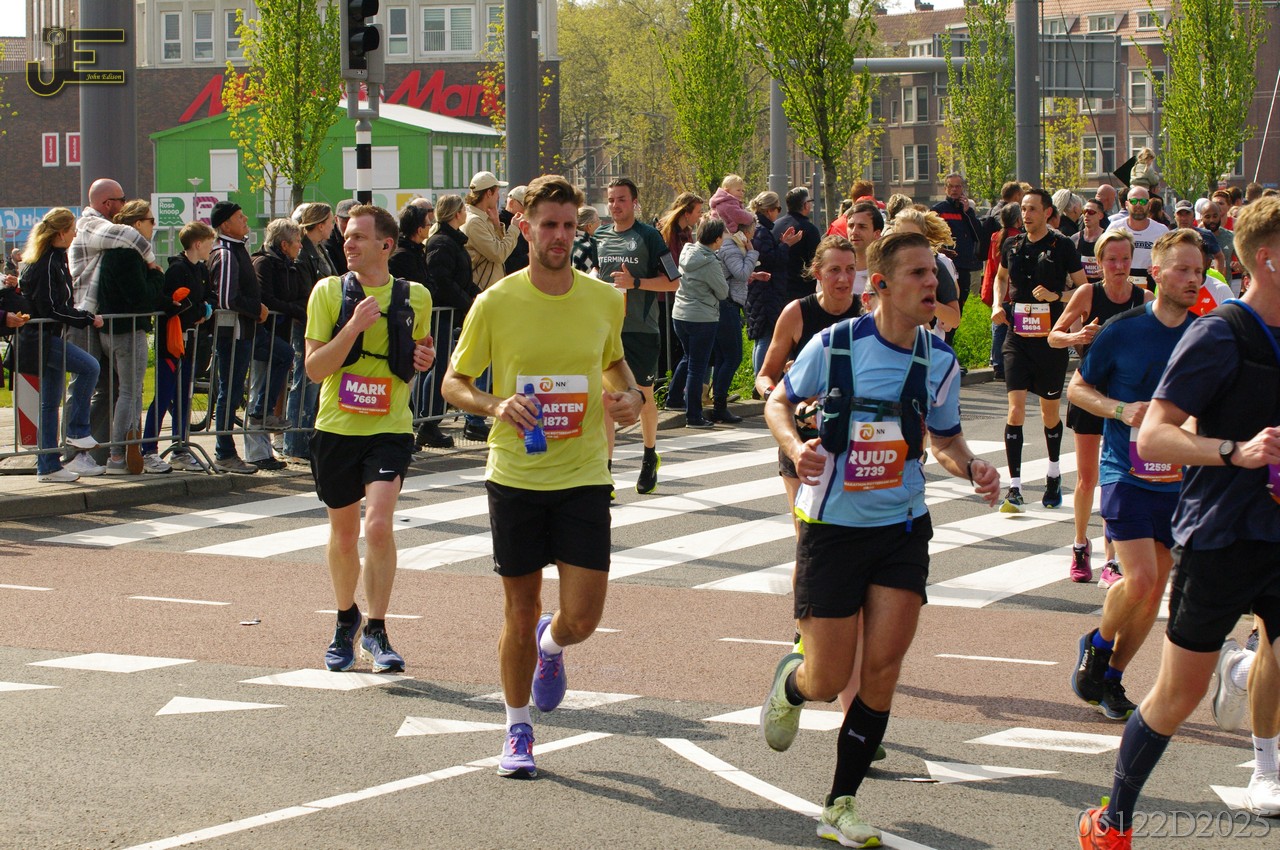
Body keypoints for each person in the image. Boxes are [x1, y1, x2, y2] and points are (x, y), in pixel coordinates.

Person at [760, 231, 1001, 847]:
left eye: (934, 274)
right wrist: (795, 446)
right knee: (827, 678)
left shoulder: (940, 360)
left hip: (901, 527)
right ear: (883, 286)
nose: (932, 284)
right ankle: (793, 684)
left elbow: (944, 439)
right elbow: (779, 402)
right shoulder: (835, 345)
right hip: (832, 530)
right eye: (918, 274)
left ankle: (840, 803)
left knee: (883, 668)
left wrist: (972, 465)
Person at [1076, 195, 1280, 849]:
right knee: (1176, 695)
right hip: (1223, 533)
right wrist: (1235, 451)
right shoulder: (1221, 333)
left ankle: (1248, 682)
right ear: (1270, 260)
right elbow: (1155, 436)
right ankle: (1113, 820)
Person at [441, 175, 644, 779]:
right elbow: (454, 382)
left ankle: (552, 646)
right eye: (547, 225)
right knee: (519, 609)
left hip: (583, 475)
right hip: (516, 475)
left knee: (582, 618)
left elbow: (613, 364)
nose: (559, 236)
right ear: (525, 229)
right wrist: (496, 404)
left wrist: (631, 397)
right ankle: (517, 727)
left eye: (568, 225)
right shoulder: (495, 302)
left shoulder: (602, 299)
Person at [1064, 229, 1200, 727]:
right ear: (1157, 274)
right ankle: (1097, 645)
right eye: (1182, 269)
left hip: (1177, 481)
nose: (1193, 278)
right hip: (1126, 471)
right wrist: (1121, 410)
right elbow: (1078, 389)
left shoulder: (1205, 335)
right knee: (1139, 577)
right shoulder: (1122, 330)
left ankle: (1111, 675)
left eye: (1198, 270)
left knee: (1155, 587)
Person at [304, 203, 435, 675]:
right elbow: (315, 368)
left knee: (377, 525)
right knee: (343, 535)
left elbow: (422, 350)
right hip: (337, 427)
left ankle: (377, 629)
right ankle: (347, 620)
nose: (348, 243)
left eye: (358, 236)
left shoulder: (415, 296)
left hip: (390, 426)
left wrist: (424, 359)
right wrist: (353, 327)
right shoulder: (328, 292)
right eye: (346, 236)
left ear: (386, 244)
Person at [1050, 229, 1151, 586]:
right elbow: (1053, 336)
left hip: (1126, 399)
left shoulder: (1144, 298)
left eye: (1125, 259)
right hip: (1090, 393)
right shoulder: (1087, 293)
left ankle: (1112, 560)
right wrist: (1076, 337)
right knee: (1088, 478)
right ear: (1099, 262)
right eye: (1112, 260)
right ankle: (1080, 545)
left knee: (1117, 479)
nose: (1119, 266)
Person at [754, 235, 863, 524]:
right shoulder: (797, 312)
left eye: (850, 269)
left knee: (851, 532)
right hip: (803, 440)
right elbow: (764, 376)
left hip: (854, 439)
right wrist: (787, 403)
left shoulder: (866, 313)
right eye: (834, 270)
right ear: (817, 273)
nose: (844, 278)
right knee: (805, 532)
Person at [992, 188, 1087, 511]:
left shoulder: (1063, 246)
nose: (1026, 214)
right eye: (1023, 209)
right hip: (1017, 337)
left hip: (1049, 340)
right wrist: (997, 303)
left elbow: (1083, 288)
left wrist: (1057, 296)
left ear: (1047, 212)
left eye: (1032, 209)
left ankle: (1053, 474)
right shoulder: (1012, 244)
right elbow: (1000, 277)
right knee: (1015, 410)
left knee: (1049, 413)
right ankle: (1015, 487)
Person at [68, 178, 159, 466]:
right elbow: (128, 235)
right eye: (121, 199)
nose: (124, 203)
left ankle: (96, 452)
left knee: (106, 387)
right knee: (84, 385)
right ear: (107, 203)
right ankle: (76, 453)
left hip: (94, 317)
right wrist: (152, 262)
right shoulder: (91, 224)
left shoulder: (104, 230)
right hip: (82, 316)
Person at [595, 177, 676, 494]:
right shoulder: (600, 236)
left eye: (621, 199)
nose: (615, 205)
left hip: (640, 329)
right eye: (611, 200)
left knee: (642, 396)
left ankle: (649, 455)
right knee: (605, 400)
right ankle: (606, 473)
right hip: (607, 330)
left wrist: (636, 283)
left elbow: (674, 281)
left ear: (634, 202)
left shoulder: (649, 236)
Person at [17, 208, 103, 483]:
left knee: (50, 404)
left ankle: (48, 467)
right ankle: (77, 431)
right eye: (72, 229)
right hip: (41, 338)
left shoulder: (54, 258)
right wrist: (87, 318)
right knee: (90, 367)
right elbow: (51, 308)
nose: (76, 234)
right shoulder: (45, 263)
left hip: (48, 336)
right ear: (61, 233)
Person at [97, 200, 167, 475]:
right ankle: (118, 454)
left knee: (128, 392)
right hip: (127, 330)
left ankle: (127, 451)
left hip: (114, 329)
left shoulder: (113, 251)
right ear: (137, 224)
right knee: (129, 392)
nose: (153, 226)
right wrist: (157, 276)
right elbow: (141, 298)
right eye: (151, 221)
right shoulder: (128, 254)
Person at [142, 221, 217, 473]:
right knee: (164, 395)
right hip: (172, 343)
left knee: (185, 396)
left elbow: (209, 296)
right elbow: (176, 305)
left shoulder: (202, 269)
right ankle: (148, 449)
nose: (211, 248)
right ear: (197, 244)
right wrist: (199, 310)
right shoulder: (177, 270)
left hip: (191, 342)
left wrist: (206, 309)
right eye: (209, 243)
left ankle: (180, 449)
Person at [460, 171, 520, 442]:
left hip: (490, 295)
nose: (500, 197)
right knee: (481, 360)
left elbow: (497, 249)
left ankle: (477, 417)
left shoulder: (481, 218)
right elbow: (498, 253)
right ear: (489, 193)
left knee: (489, 358)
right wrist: (513, 229)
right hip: (482, 295)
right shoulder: (474, 221)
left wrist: (497, 224)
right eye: (497, 192)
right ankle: (474, 418)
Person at [207, 201, 264, 475]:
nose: (246, 220)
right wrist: (257, 309)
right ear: (225, 224)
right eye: (240, 217)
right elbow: (227, 298)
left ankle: (228, 448)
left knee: (232, 389)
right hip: (233, 333)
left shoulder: (237, 249)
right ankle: (225, 451)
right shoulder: (226, 253)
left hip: (245, 330)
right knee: (228, 391)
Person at [247, 218, 304, 470]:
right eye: (297, 241)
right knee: (258, 389)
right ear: (284, 244)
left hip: (280, 333)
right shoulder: (263, 263)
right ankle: (256, 453)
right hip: (263, 332)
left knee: (270, 390)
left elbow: (298, 296)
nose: (300, 246)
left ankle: (265, 450)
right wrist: (294, 309)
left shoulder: (290, 266)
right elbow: (267, 298)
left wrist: (294, 308)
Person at [286, 202, 337, 461]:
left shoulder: (320, 249)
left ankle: (308, 439)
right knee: (304, 383)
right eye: (330, 222)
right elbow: (308, 292)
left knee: (314, 385)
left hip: (322, 324)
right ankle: (296, 443)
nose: (333, 226)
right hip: (308, 326)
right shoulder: (304, 254)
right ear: (319, 225)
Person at [671, 217, 730, 429]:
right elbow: (723, 292)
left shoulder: (687, 251)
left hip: (680, 313)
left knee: (688, 358)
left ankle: (673, 399)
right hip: (702, 317)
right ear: (716, 239)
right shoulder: (710, 262)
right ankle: (694, 416)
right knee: (697, 367)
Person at [709, 213, 762, 423]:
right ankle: (719, 405)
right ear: (746, 231)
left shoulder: (733, 246)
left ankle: (718, 404)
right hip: (727, 304)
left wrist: (753, 273)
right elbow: (740, 273)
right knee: (733, 356)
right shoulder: (732, 247)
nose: (754, 234)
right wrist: (752, 253)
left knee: (723, 357)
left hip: (727, 303)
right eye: (754, 230)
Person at [745, 191, 801, 374]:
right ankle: (760, 378)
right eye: (778, 208)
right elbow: (770, 260)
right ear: (769, 210)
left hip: (761, 290)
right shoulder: (762, 231)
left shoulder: (759, 229)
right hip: (765, 291)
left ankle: (758, 378)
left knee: (762, 336)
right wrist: (786, 245)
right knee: (765, 336)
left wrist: (782, 242)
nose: (778, 212)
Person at [932, 173, 983, 334]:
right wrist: (941, 250)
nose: (954, 190)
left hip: (964, 266)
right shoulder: (938, 210)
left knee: (958, 309)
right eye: (951, 186)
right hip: (945, 267)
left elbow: (978, 235)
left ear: (963, 189)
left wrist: (968, 213)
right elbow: (931, 237)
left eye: (958, 186)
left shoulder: (966, 212)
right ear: (945, 188)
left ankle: (950, 338)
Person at [1106, 186, 1168, 290]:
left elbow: (1170, 259)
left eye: (1143, 201)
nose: (1138, 205)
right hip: (1119, 282)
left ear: (1149, 205)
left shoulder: (1161, 231)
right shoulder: (1114, 227)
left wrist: (1162, 267)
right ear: (1127, 204)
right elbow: (1102, 254)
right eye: (1134, 201)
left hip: (1151, 284)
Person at [775, 187, 822, 303]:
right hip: (802, 292)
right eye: (810, 201)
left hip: (777, 289)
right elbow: (816, 261)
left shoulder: (775, 226)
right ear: (805, 205)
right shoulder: (810, 230)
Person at [1073, 198, 1108, 284]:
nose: (1086, 215)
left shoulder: (1107, 238)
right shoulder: (1075, 239)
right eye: (1084, 211)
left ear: (1100, 216)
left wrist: (1107, 272)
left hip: (1101, 287)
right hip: (1081, 287)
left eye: (1091, 212)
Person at [500, 185, 530, 275]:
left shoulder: (529, 224)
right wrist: (529, 257)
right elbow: (505, 264)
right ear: (511, 203)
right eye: (525, 207)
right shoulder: (499, 225)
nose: (528, 211)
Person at [324, 198, 357, 275]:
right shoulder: (327, 244)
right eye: (346, 221)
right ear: (336, 220)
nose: (350, 226)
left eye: (354, 221)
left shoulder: (371, 239)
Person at [571, 206, 600, 275]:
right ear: (589, 226)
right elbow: (592, 278)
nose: (600, 224)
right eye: (598, 220)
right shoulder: (588, 248)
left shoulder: (568, 242)